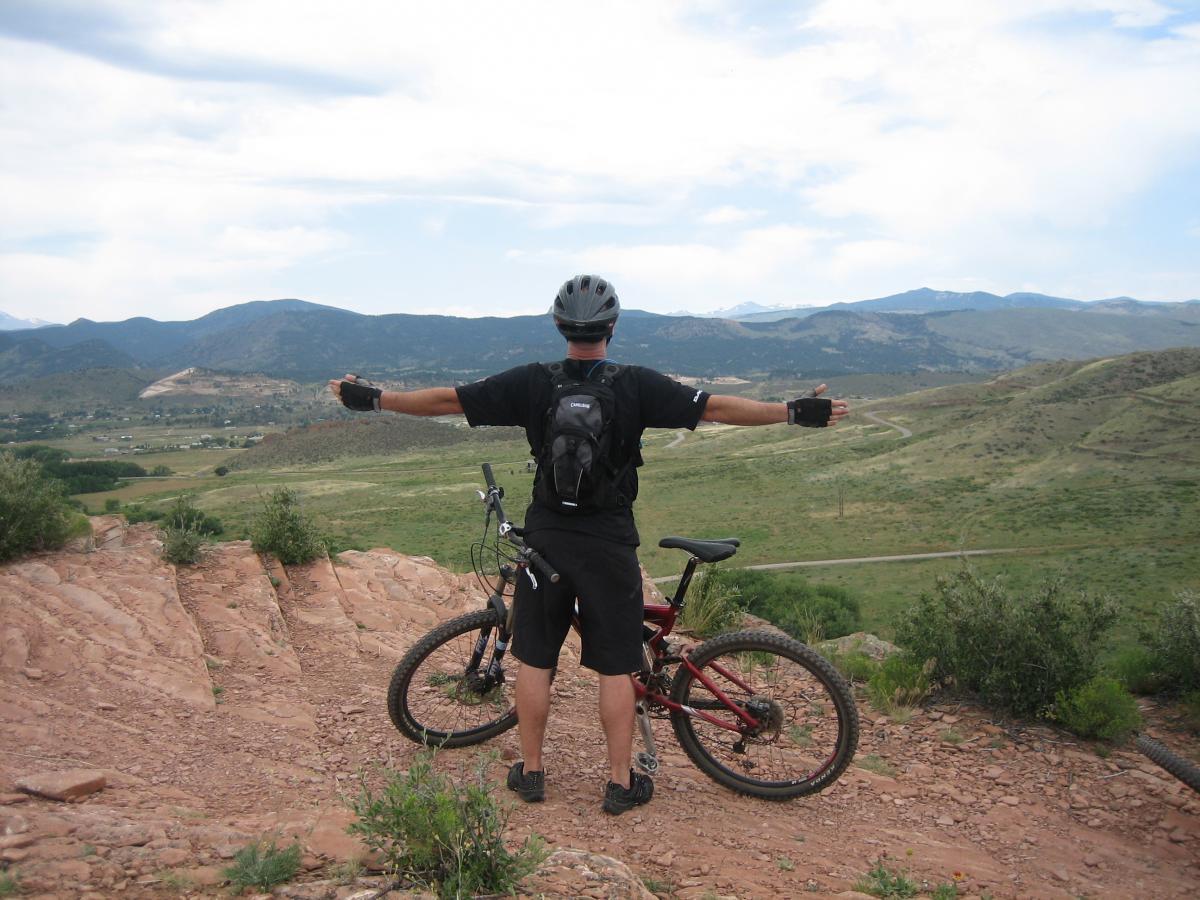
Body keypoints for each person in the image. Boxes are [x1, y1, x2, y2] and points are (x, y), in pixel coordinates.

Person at [329, 275, 849, 814]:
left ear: (559, 326)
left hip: (547, 538)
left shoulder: (532, 382)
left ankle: (531, 773)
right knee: (618, 664)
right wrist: (792, 412)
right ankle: (619, 782)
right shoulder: (637, 385)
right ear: (613, 327)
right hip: (608, 541)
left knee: (533, 658)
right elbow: (717, 408)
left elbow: (444, 402)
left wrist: (373, 398)